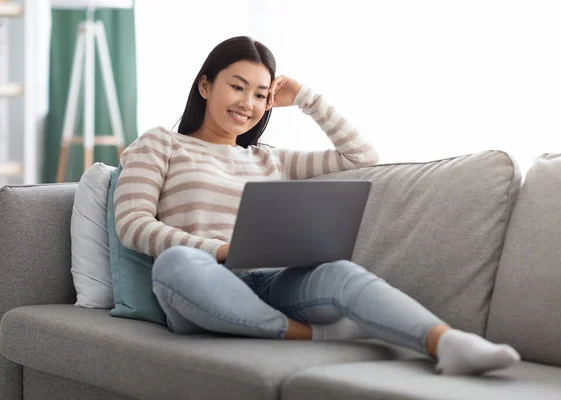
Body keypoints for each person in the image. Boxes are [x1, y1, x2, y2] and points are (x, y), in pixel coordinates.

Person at [114, 36, 520, 376]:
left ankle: (445, 341)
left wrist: (306, 98)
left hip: (273, 280)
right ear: (205, 86)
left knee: (339, 271)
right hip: (204, 280)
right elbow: (132, 223)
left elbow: (363, 158)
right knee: (175, 265)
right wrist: (218, 250)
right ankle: (309, 334)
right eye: (237, 87)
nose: (247, 104)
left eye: (260, 94)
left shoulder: (271, 159)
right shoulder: (161, 143)